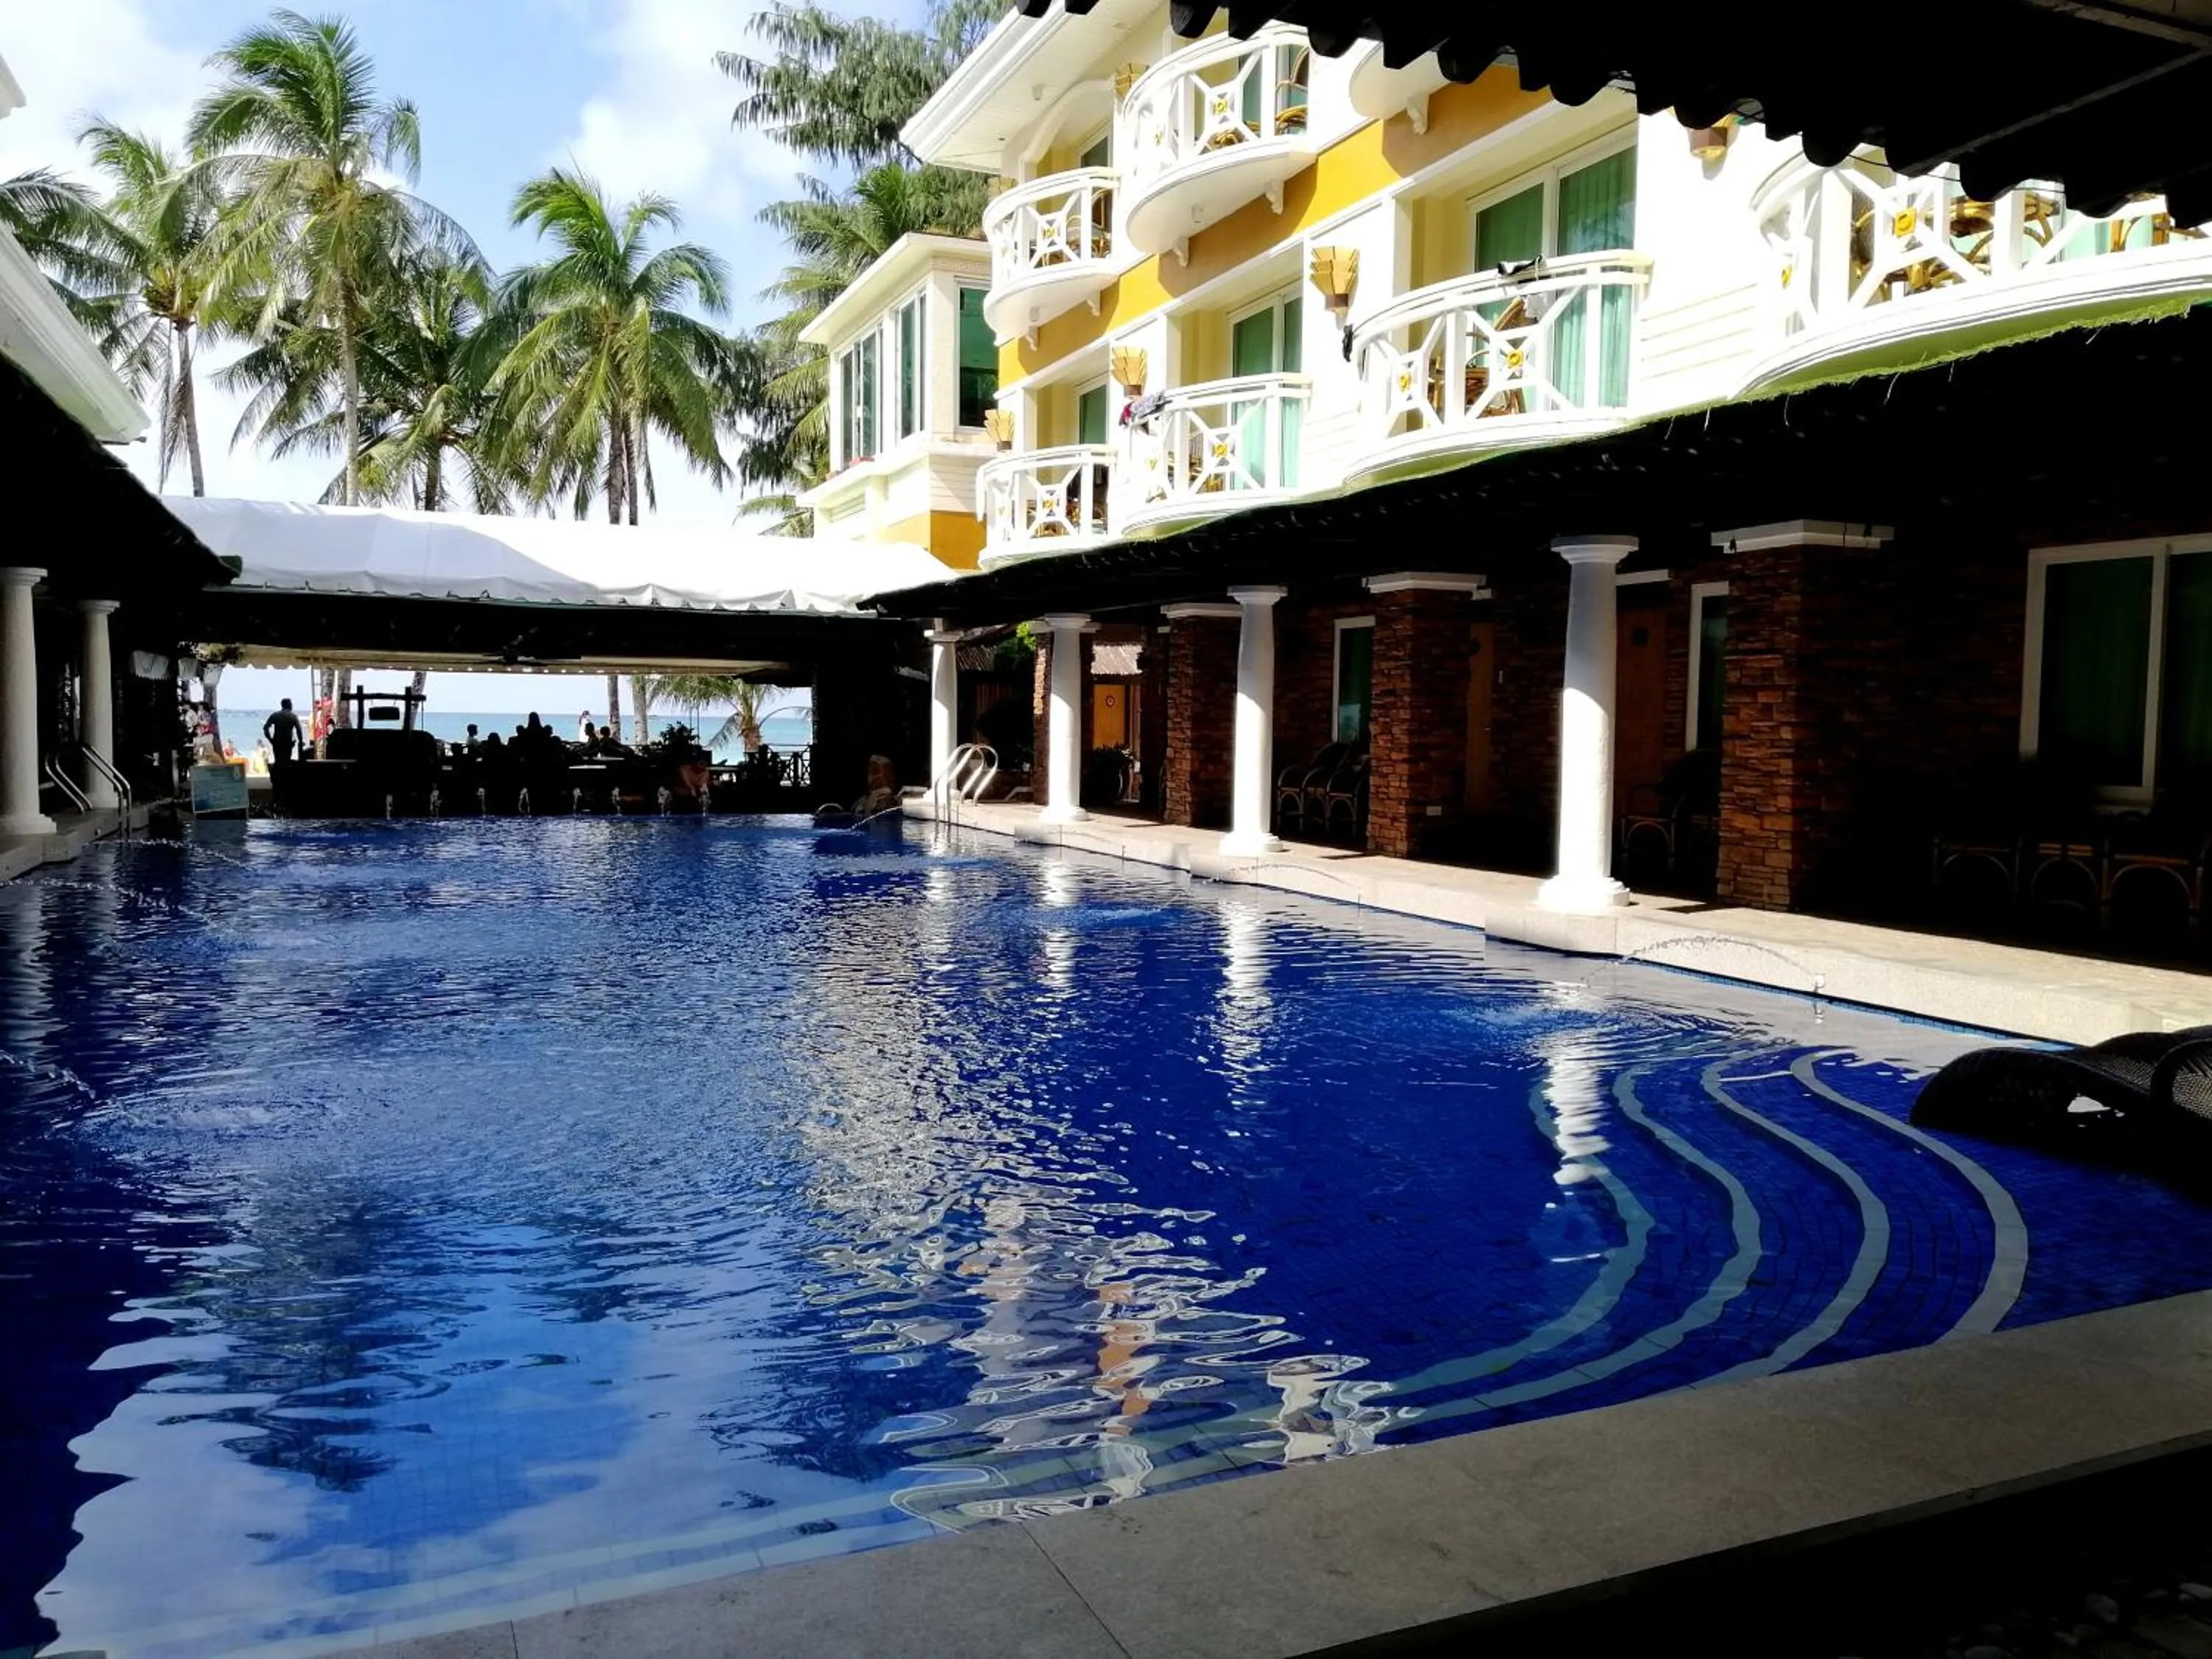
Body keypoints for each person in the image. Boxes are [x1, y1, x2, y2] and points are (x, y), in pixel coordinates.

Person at [262, 698, 304, 764]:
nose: (292, 706)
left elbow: (265, 728)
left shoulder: (275, 715)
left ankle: (278, 773)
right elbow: (299, 731)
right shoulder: (293, 716)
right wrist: (301, 742)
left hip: (277, 742)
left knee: (278, 762)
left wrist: (271, 740)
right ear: (289, 705)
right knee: (287, 762)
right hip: (288, 743)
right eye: (291, 704)